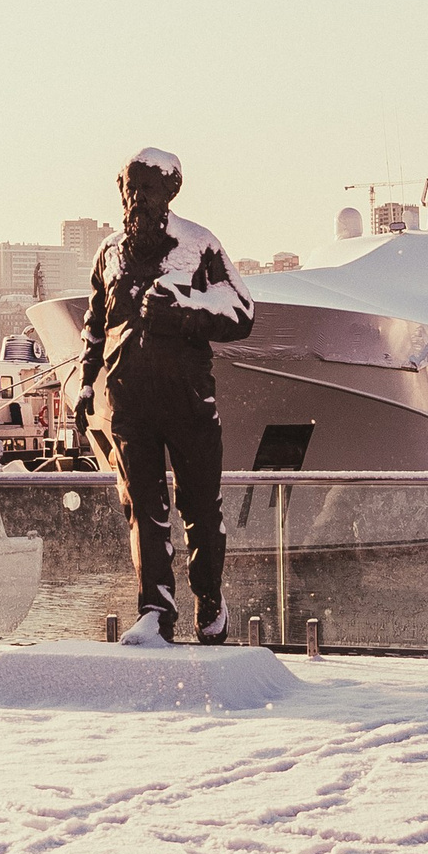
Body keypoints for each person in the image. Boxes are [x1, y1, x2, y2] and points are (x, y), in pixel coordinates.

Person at [70, 146, 255, 644]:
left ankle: (210, 602)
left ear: (170, 192)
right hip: (130, 407)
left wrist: (184, 311)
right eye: (130, 189)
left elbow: (241, 314)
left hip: (189, 405)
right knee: (143, 511)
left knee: (200, 508)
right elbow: (94, 327)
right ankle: (155, 610)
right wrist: (87, 384)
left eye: (147, 189)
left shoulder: (199, 246)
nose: (137, 199)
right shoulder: (109, 254)